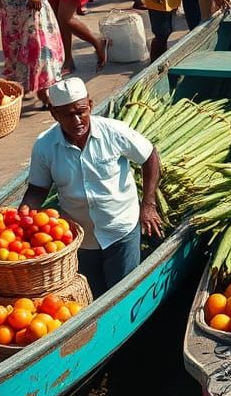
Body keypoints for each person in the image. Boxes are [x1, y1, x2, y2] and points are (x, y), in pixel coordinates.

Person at [22, 76, 162, 296]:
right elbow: (38, 188)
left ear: (90, 105)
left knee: (122, 294)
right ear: (54, 114)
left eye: (81, 111)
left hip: (120, 230)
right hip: (81, 237)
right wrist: (24, 214)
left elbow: (150, 156)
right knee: (92, 293)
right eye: (68, 115)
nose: (77, 120)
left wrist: (148, 204)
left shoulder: (113, 132)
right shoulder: (45, 146)